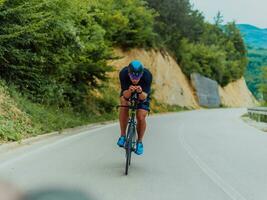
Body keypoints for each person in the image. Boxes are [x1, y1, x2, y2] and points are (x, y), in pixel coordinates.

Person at [117, 60, 152, 155]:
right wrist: (129, 91)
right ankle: (123, 135)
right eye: (132, 76)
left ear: (142, 74)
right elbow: (125, 95)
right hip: (127, 91)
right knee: (124, 104)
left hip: (143, 93)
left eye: (138, 76)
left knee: (141, 116)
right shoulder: (123, 73)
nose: (135, 79)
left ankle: (139, 142)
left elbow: (144, 97)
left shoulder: (147, 75)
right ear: (128, 73)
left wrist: (140, 92)